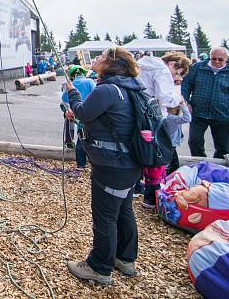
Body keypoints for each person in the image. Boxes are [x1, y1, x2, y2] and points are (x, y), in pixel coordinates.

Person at [65, 46, 143, 285]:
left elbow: (83, 113)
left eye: (100, 57)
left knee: (105, 216)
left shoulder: (108, 89)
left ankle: (99, 267)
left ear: (111, 64)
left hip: (112, 164)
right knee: (123, 209)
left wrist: (73, 93)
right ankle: (125, 258)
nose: (95, 60)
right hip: (130, 162)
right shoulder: (132, 88)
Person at [136, 52, 191, 208]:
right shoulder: (161, 70)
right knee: (156, 156)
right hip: (155, 116)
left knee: (141, 152)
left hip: (140, 114)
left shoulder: (142, 65)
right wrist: (178, 98)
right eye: (176, 73)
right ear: (173, 64)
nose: (175, 78)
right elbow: (165, 97)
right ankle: (152, 195)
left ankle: (136, 186)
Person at [181, 47, 229, 159]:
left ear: (227, 59)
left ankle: (220, 168)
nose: (216, 61)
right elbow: (186, 85)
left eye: (220, 59)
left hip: (222, 114)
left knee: (224, 147)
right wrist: (186, 102)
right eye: (213, 58)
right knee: (194, 142)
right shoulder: (197, 68)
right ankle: (200, 163)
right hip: (198, 112)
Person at [61, 65, 96, 168]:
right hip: (91, 114)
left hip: (78, 114)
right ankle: (94, 162)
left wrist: (68, 110)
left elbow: (64, 99)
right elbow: (95, 93)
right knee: (92, 138)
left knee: (81, 138)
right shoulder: (90, 82)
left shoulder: (71, 84)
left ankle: (81, 164)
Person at [163, 102, 191, 175]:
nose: (178, 109)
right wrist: (183, 105)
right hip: (170, 145)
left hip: (168, 144)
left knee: (170, 165)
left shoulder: (168, 116)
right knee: (172, 167)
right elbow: (187, 118)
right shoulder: (172, 118)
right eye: (177, 107)